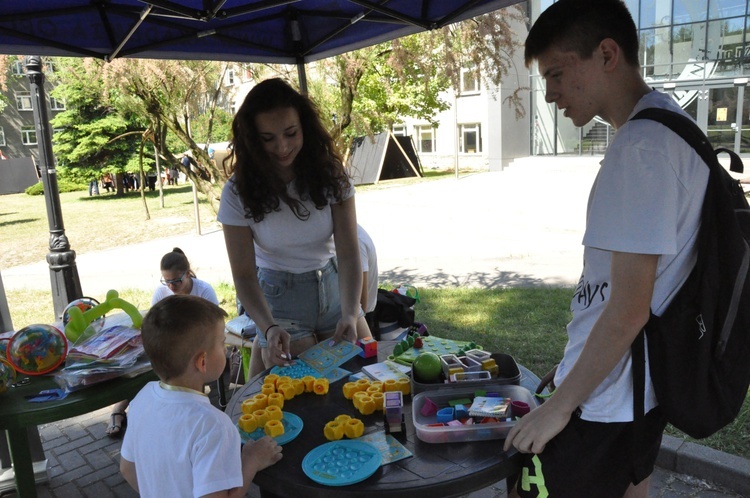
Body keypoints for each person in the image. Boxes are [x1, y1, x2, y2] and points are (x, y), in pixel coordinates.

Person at [503, 2, 709, 497]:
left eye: (556, 74)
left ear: (607, 54)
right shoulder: (666, 123)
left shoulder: (642, 148)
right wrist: (571, 365)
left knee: (522, 485)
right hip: (632, 387)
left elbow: (627, 309)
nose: (549, 94)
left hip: (609, 398)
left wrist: (560, 405)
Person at [217, 78, 371, 379]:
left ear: (305, 128)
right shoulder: (237, 191)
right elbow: (244, 276)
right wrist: (268, 328)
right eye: (268, 138)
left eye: (291, 133)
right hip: (278, 301)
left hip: (335, 288)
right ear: (252, 139)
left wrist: (351, 313)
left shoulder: (330, 174)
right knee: (307, 393)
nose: (282, 147)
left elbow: (350, 252)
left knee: (366, 376)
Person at [120, 295, 283, 497]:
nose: (225, 349)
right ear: (202, 362)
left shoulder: (142, 399)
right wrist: (251, 461)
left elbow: (127, 468)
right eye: (222, 343)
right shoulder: (213, 426)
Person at [106, 248, 219, 437]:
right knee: (144, 367)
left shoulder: (204, 291)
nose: (172, 286)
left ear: (187, 273)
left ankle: (185, 416)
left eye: (177, 281)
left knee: (183, 370)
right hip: (170, 347)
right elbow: (155, 326)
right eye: (167, 281)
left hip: (198, 347)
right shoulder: (161, 293)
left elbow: (214, 327)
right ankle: (121, 408)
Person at [357, 224, 378, 332]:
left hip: (362, 316)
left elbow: (362, 301)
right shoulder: (356, 233)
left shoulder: (356, 240)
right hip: (361, 314)